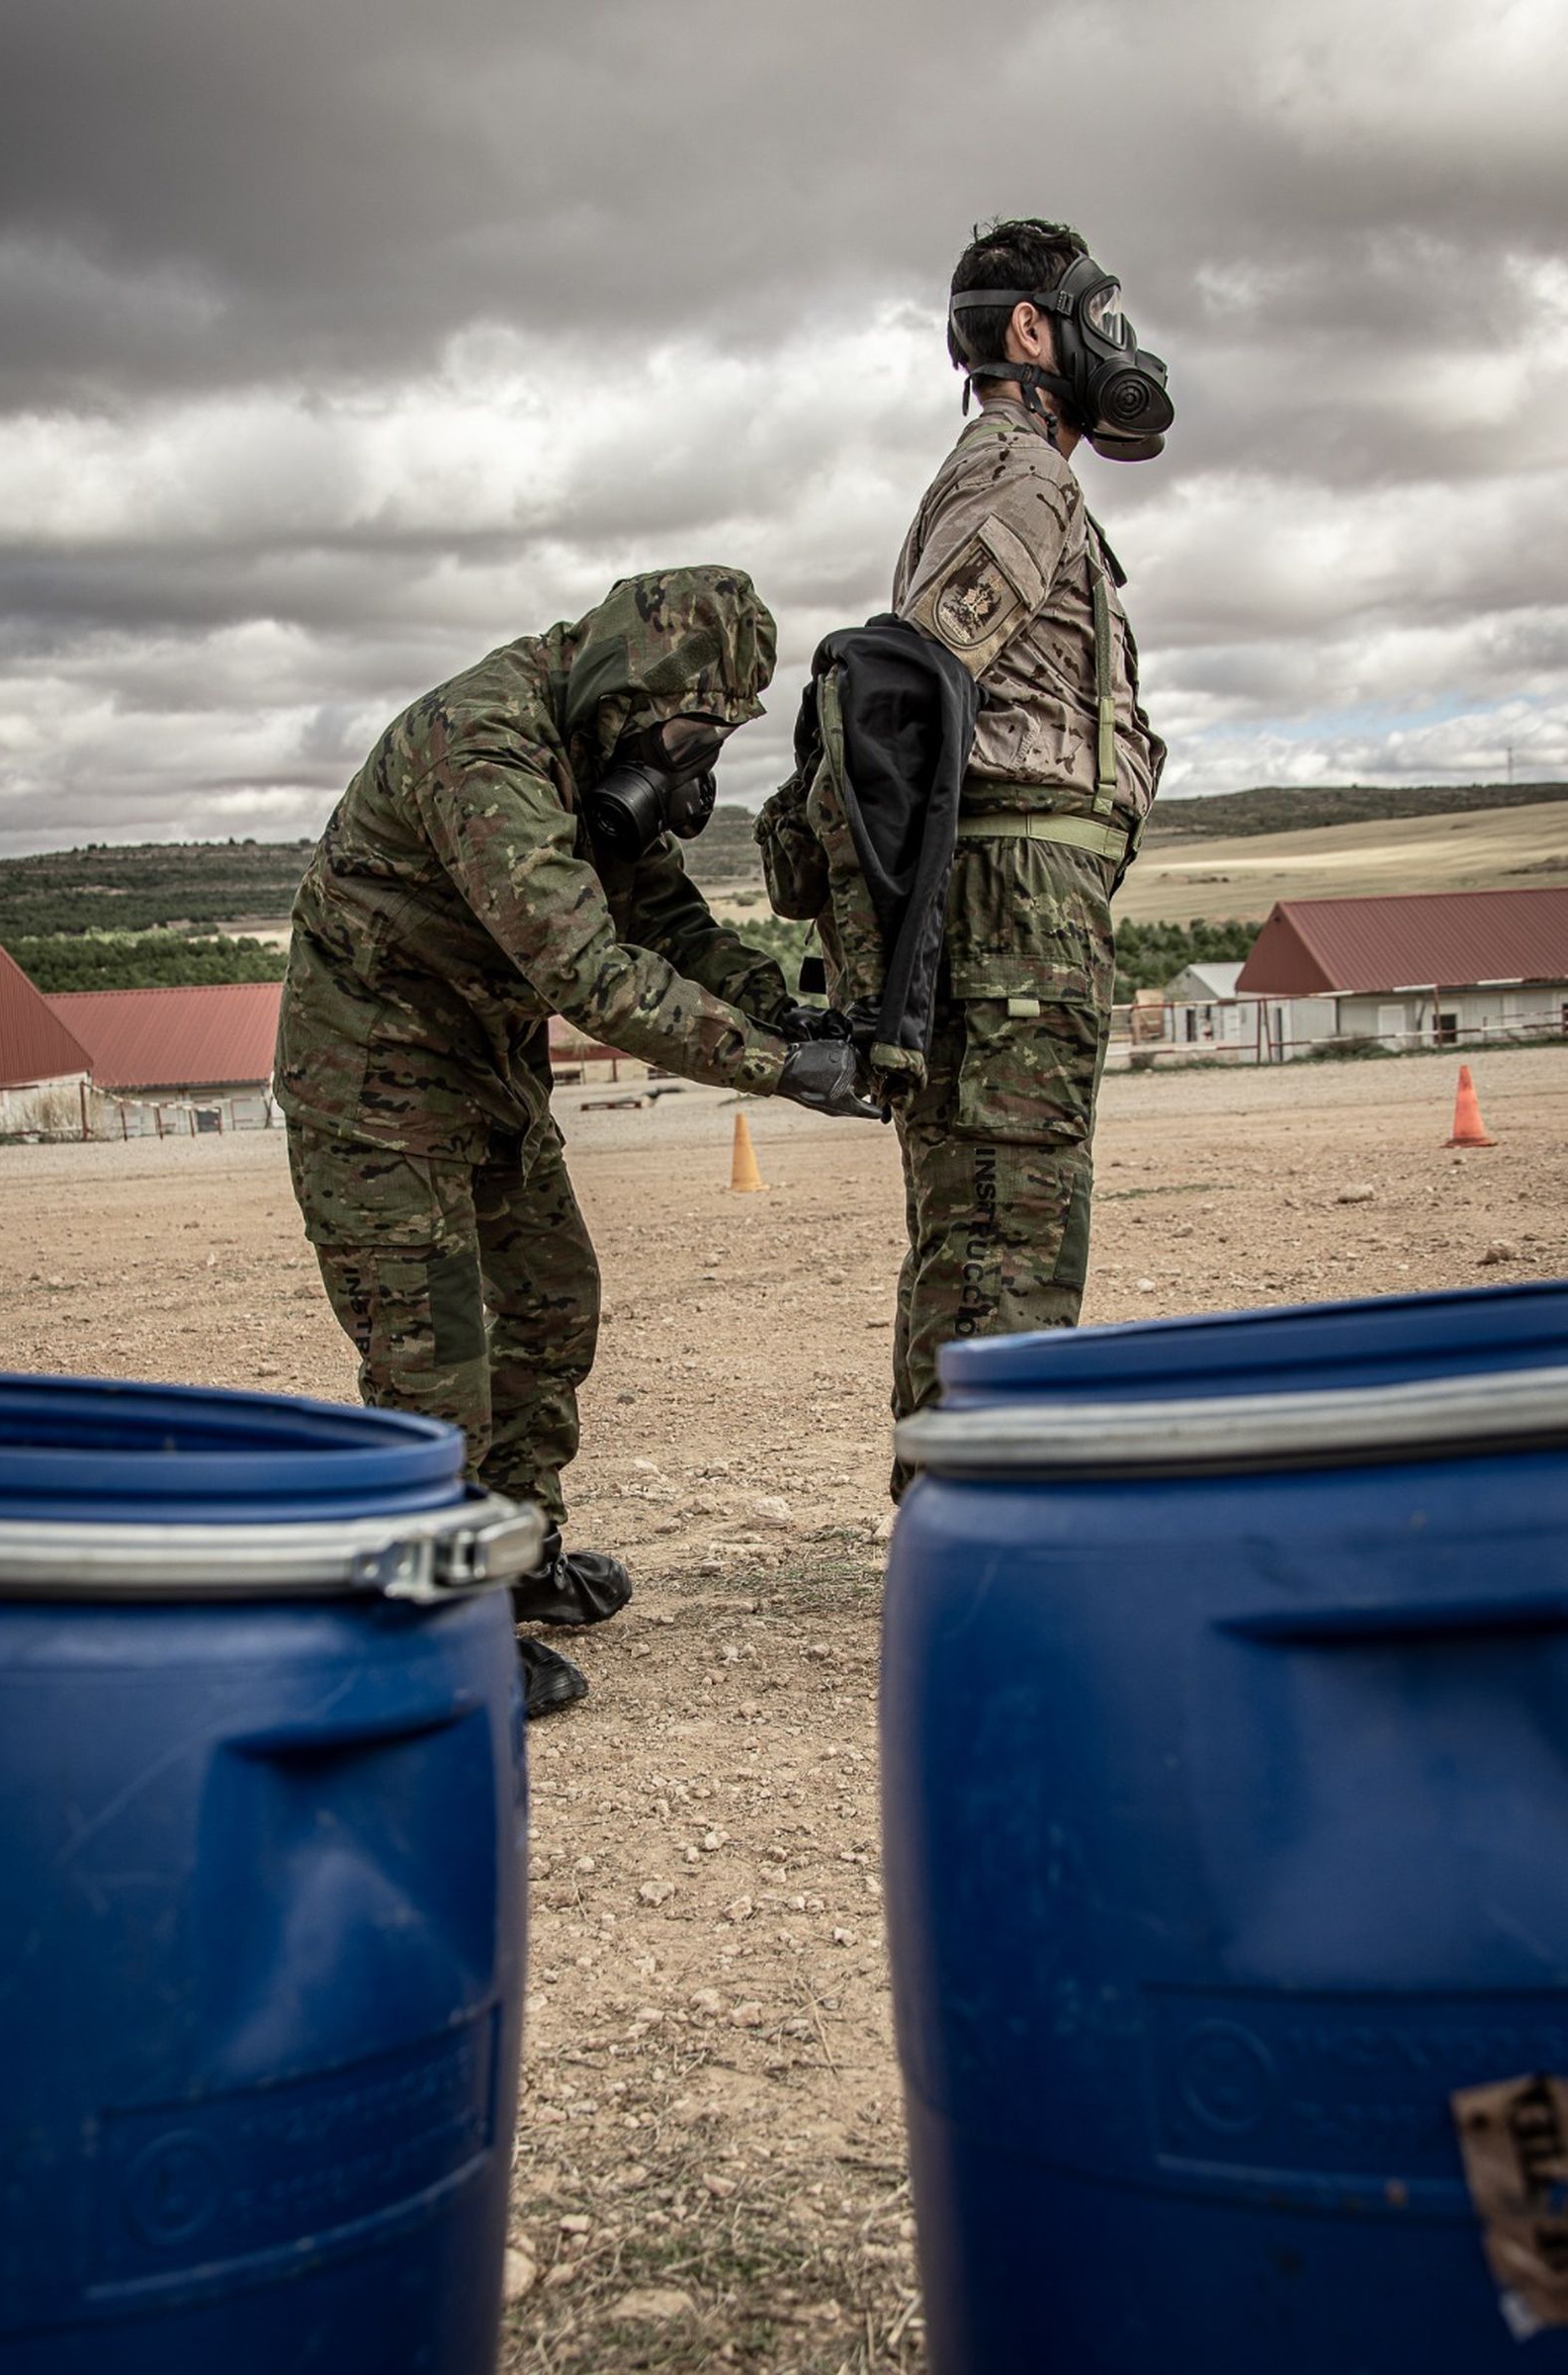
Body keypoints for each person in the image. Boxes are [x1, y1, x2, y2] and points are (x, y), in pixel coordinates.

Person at [275, 566, 877, 1712]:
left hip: (485, 1069)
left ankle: (514, 1555)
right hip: (373, 1081)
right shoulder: (482, 747)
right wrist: (778, 1066)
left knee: (551, 1303)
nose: (691, 763)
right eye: (691, 729)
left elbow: (665, 922)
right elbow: (588, 972)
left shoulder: (599, 756)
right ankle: (438, 1628)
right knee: (431, 1364)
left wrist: (784, 1009)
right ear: (628, 686)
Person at [757, 219, 1170, 1485]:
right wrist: (885, 939)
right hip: (1014, 900)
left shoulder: (1008, 478)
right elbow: (904, 687)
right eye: (1095, 313)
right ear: (1035, 331)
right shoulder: (1021, 477)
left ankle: (962, 1516)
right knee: (1009, 1224)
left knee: (982, 1224)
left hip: (1009, 896)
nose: (1119, 342)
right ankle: (988, 1527)